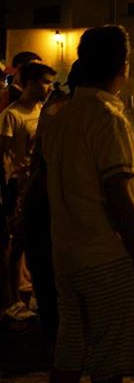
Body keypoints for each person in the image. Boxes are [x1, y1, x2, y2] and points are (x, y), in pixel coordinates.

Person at [43, 25, 134, 383]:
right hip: (108, 257)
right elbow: (117, 192)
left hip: (67, 255)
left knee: (68, 351)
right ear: (121, 66)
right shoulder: (108, 117)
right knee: (107, 366)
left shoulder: (60, 114)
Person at [0, 60, 56, 321]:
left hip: (40, 184)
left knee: (39, 241)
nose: (49, 87)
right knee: (18, 243)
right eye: (45, 82)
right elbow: (4, 155)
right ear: (32, 83)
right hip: (19, 186)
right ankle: (12, 300)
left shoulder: (45, 112)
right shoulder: (11, 116)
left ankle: (31, 292)